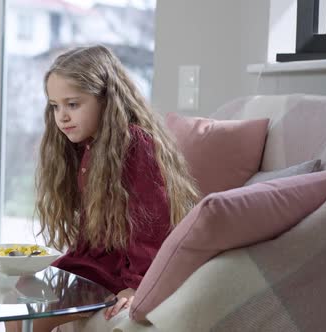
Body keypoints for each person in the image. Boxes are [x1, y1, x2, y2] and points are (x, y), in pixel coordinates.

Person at [24, 45, 200, 331]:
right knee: (20, 299)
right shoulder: (88, 146)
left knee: (34, 318)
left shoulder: (134, 145)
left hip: (118, 271)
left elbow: (151, 227)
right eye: (55, 106)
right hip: (94, 262)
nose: (62, 116)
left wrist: (137, 287)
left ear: (106, 99)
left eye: (73, 104)